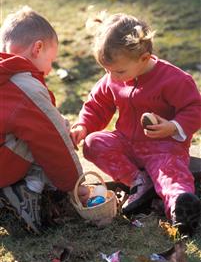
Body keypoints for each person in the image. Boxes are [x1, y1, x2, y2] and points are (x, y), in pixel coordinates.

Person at [70, 12, 201, 237]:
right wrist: (83, 125)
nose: (112, 76)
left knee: (171, 175)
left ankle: (181, 209)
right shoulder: (114, 77)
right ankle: (139, 182)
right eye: (106, 70)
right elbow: (97, 104)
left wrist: (173, 126)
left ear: (143, 58)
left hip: (163, 148)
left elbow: (194, 108)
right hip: (127, 144)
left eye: (118, 71)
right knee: (94, 143)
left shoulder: (174, 79)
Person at [0, 6, 89, 234]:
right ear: (37, 48)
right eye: (51, 61)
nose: (49, 70)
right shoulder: (24, 86)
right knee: (56, 127)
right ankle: (26, 191)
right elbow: (53, 141)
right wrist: (75, 184)